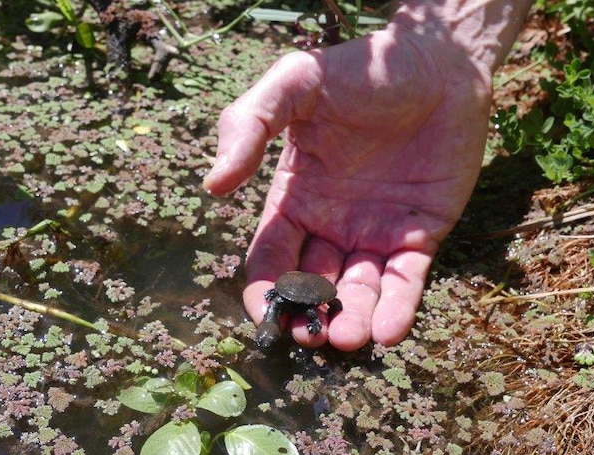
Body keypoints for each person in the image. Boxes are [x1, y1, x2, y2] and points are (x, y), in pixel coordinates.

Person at [204, 0, 533, 351]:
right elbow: (278, 296)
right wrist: (446, 49)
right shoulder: (280, 297)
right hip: (295, 287)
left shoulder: (294, 298)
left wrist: (443, 53)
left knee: (319, 314)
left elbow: (307, 304)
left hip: (311, 290)